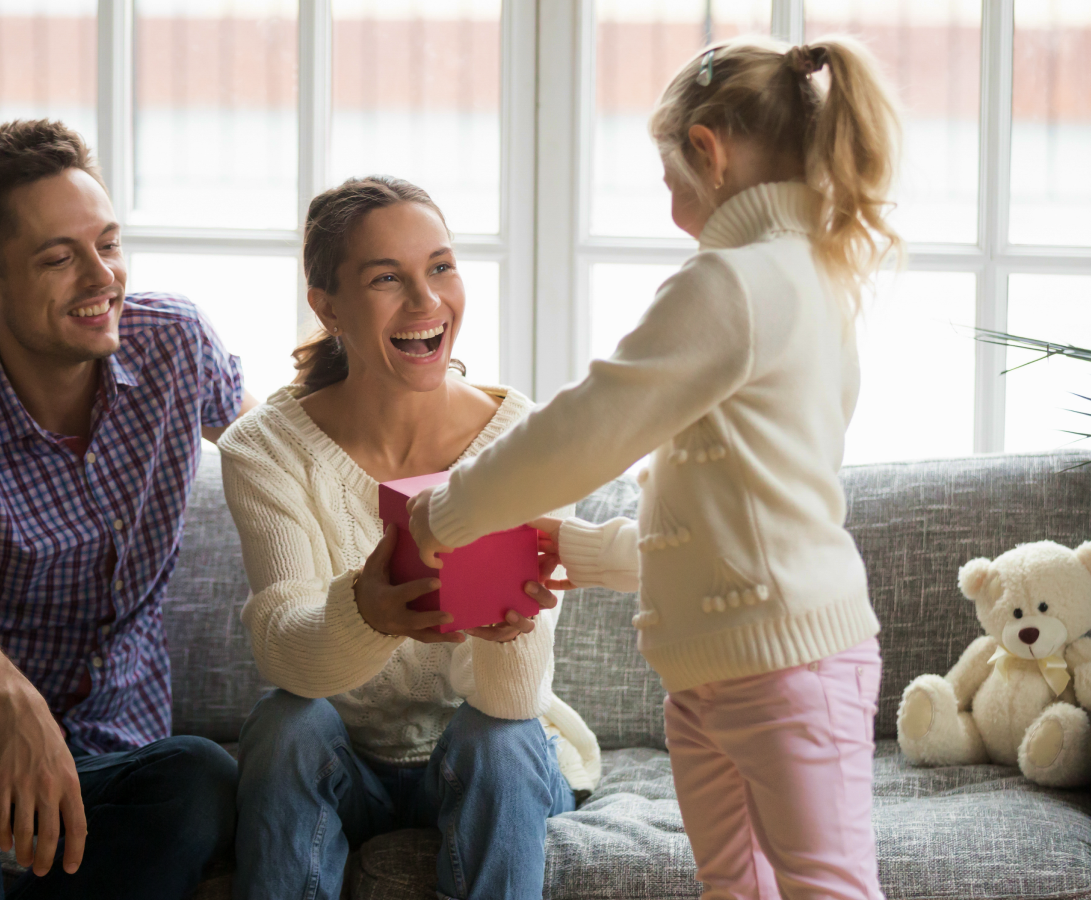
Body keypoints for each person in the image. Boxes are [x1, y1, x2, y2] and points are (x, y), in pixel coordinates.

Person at [408, 38, 901, 900]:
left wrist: (451, 513)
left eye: (670, 175)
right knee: (734, 888)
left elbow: (592, 426)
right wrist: (591, 551)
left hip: (785, 668)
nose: (671, 199)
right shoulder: (811, 278)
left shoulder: (735, 283)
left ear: (707, 152)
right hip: (718, 673)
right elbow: (743, 504)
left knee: (826, 888)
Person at [0, 119, 258, 899]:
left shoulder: (172, 344)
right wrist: (12, 702)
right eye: (59, 258)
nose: (102, 278)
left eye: (109, 244)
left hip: (109, 766)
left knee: (202, 779)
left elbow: (281, 459)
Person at [217, 176, 600, 900]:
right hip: (344, 761)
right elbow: (284, 648)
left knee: (499, 738)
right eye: (387, 278)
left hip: (489, 749)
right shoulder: (265, 449)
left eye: (441, 268)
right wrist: (364, 611)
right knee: (285, 722)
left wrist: (509, 633)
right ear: (327, 307)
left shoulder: (528, 441)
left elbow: (511, 707)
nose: (427, 302)